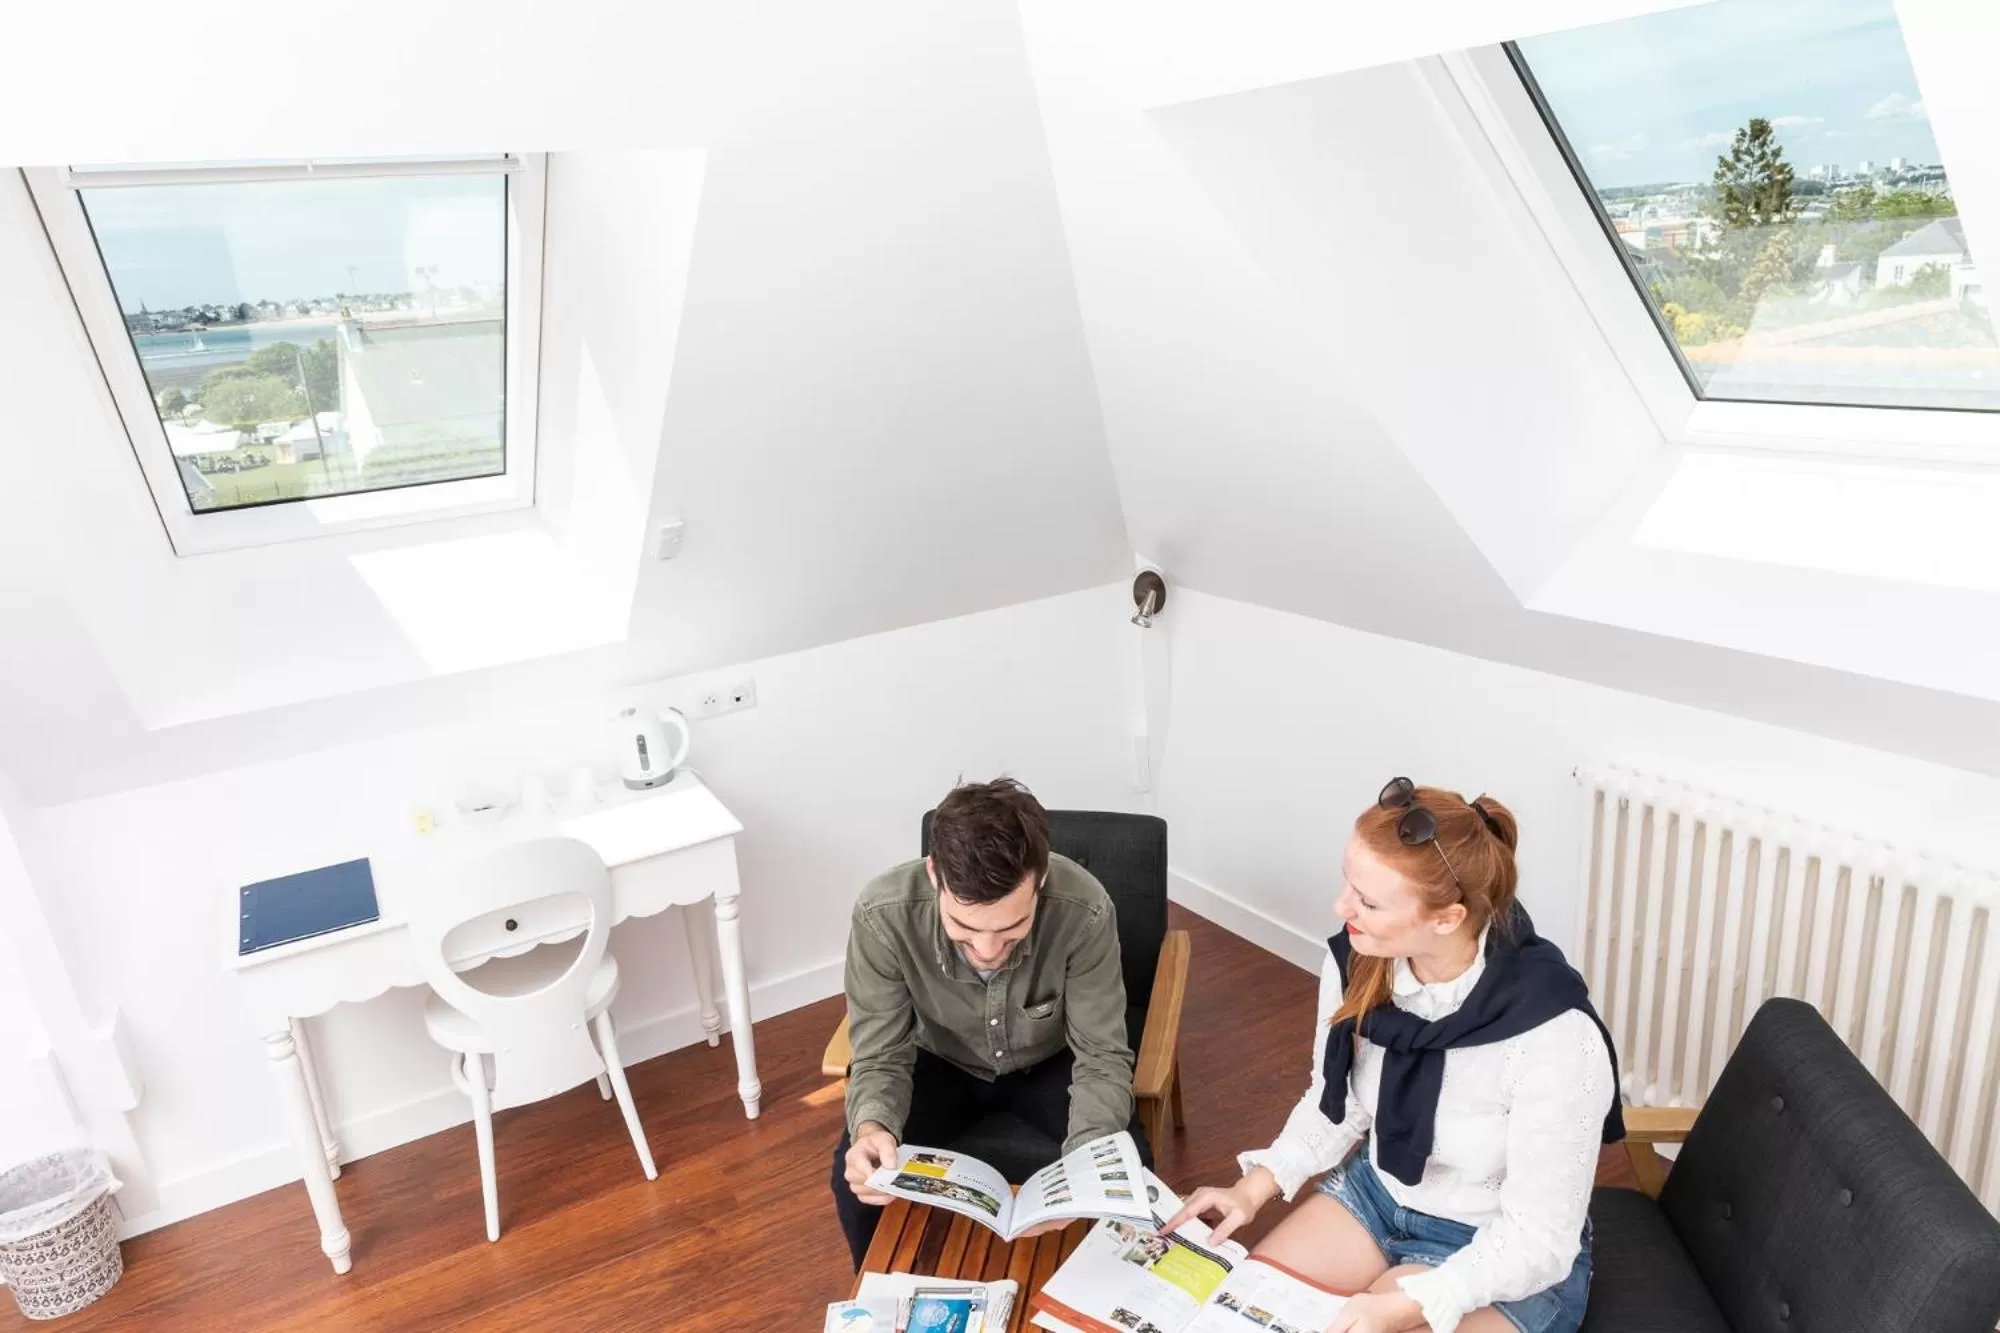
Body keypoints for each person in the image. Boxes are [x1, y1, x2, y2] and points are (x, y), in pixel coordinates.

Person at [1164, 779, 1621, 1333]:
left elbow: (1540, 1242)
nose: (1341, 907)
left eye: (1368, 901)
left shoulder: (1553, 1038)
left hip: (1497, 1246)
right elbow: (1340, 1104)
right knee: (1229, 1320)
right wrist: (1252, 1188)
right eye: (1348, 884)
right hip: (1377, 1196)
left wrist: (1407, 1302)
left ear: (1446, 918)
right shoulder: (1357, 961)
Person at [832, 777, 1149, 1268]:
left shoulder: (1084, 910)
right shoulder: (882, 915)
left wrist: (1087, 1171)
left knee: (1129, 1172)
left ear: (1039, 882)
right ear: (936, 875)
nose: (987, 952)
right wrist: (873, 1127)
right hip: (937, 1061)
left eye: (1010, 929)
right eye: (964, 929)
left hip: (1050, 1060)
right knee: (854, 1175)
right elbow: (881, 1054)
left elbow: (1101, 1056)